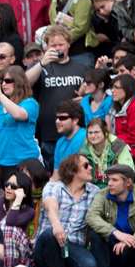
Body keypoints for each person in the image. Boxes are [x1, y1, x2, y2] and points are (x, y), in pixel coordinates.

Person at [33, 154, 105, 267]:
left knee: (88, 263)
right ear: (73, 170)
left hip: (72, 246)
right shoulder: (54, 187)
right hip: (47, 247)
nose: (90, 169)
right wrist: (57, 225)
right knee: (51, 234)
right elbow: (51, 207)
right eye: (86, 165)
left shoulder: (94, 192)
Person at [26, 26, 89, 168]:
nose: (57, 48)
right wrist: (41, 63)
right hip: (48, 132)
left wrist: (84, 99)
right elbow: (23, 83)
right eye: (53, 45)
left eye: (61, 44)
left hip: (76, 132)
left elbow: (93, 95)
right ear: (46, 47)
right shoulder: (41, 67)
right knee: (53, 173)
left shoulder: (81, 68)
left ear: (68, 44)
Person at [80, 118, 134, 188]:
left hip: (116, 189)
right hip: (93, 189)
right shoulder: (84, 149)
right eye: (90, 133)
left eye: (96, 132)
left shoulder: (118, 146)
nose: (93, 136)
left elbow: (127, 172)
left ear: (105, 133)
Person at [52, 99, 87, 171]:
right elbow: (56, 173)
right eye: (57, 118)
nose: (57, 121)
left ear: (75, 120)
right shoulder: (60, 142)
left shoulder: (85, 137)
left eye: (62, 118)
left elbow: (78, 172)